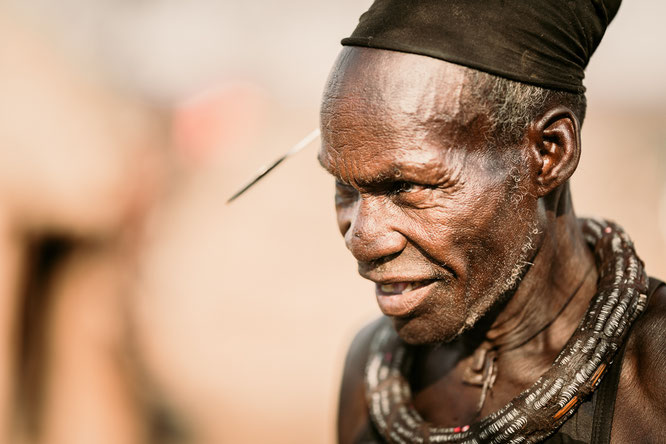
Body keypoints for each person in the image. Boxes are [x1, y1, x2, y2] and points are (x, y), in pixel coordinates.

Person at [318, 1, 666, 442]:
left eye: (408, 186)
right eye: (345, 187)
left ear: (548, 154)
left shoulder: (655, 384)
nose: (362, 240)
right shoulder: (370, 369)